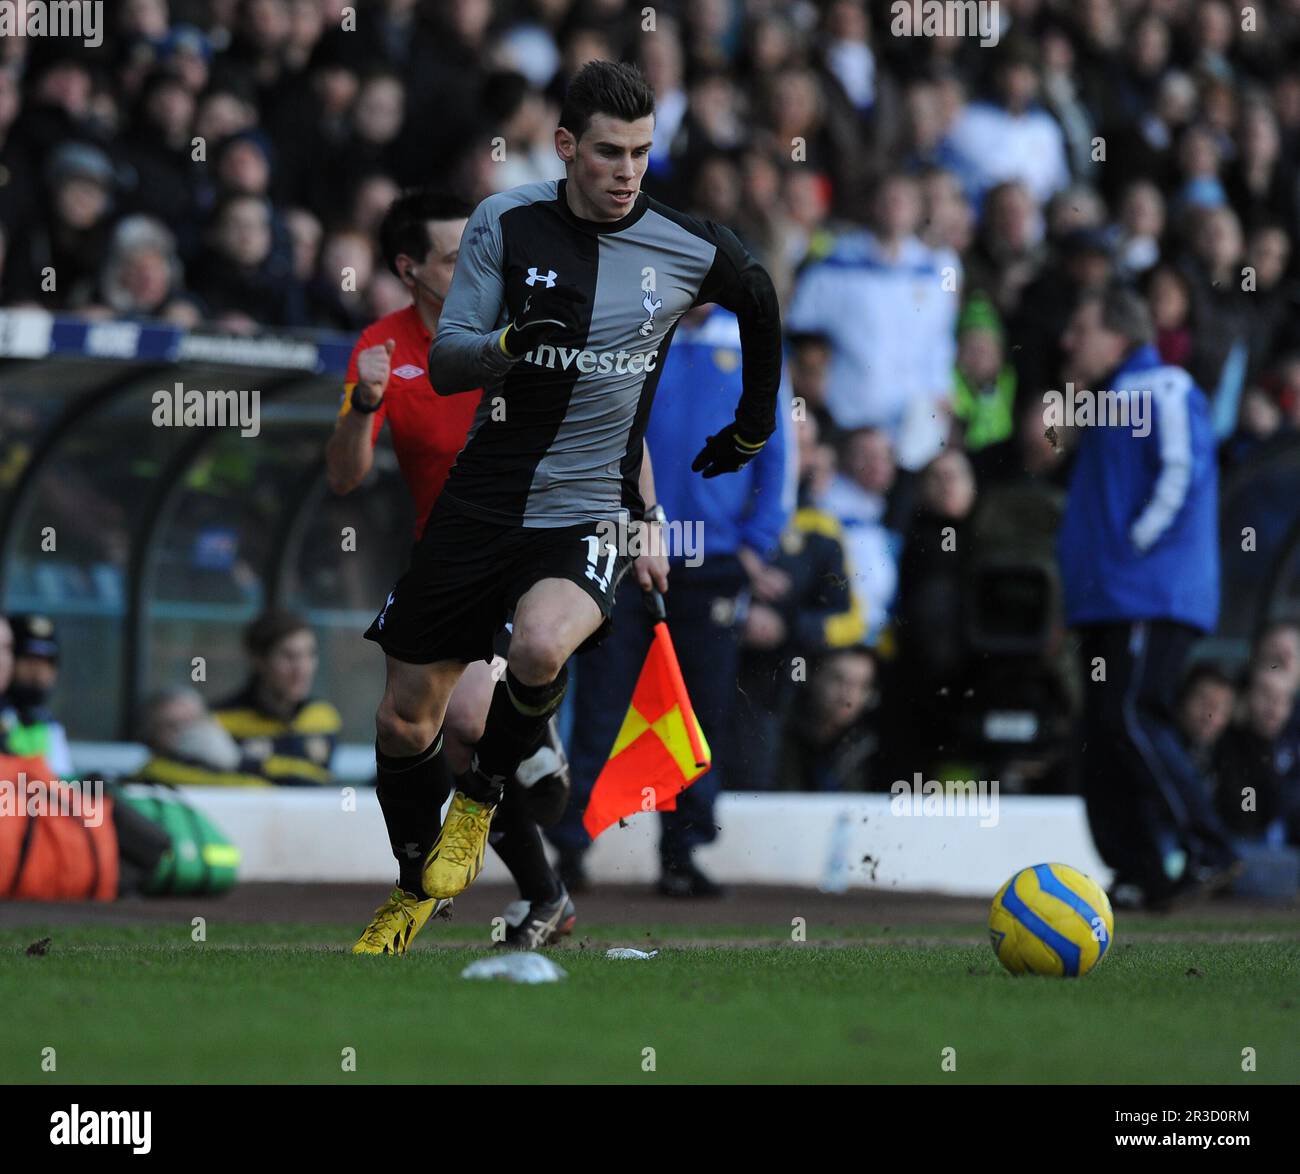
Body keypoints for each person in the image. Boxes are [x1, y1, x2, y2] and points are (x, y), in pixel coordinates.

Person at [359, 60, 780, 945]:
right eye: (608, 152)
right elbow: (448, 361)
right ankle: (411, 890)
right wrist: (510, 343)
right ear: (564, 148)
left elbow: (759, 295)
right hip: (484, 502)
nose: (627, 170)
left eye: (641, 152)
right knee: (404, 716)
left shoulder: (685, 243)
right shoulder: (504, 225)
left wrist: (750, 425)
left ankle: (478, 806)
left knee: (544, 645)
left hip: (593, 505)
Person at [327, 187, 577, 952]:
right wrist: (363, 405)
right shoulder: (381, 346)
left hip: (534, 549)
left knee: (468, 720)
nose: (478, 261)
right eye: (453, 253)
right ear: (409, 269)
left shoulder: (521, 322)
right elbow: (344, 476)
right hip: (448, 557)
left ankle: (528, 732)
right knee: (413, 726)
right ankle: (542, 895)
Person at [548, 301, 793, 896]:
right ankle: (574, 846)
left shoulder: (751, 341)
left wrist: (756, 541)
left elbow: (776, 448)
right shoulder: (623, 333)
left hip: (711, 559)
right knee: (603, 701)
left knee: (698, 709)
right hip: (627, 550)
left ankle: (681, 853)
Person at [1057, 283, 1239, 909]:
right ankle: (1139, 871)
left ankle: (1207, 845)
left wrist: (1134, 547)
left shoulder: (1163, 386)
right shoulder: (1108, 401)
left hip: (1146, 592)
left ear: (1118, 334)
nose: (1068, 341)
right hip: (1106, 597)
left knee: (1130, 716)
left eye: (1080, 328)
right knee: (1102, 732)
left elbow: (1182, 470)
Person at [213, 610, 342, 787]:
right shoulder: (222, 721)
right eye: (289, 657)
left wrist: (252, 764)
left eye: (310, 655)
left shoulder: (322, 716)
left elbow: (314, 781)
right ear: (258, 660)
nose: (302, 669)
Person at [1, 614, 73, 778]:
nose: (38, 673)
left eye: (47, 664)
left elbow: (61, 782)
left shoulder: (48, 726)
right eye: (29, 661)